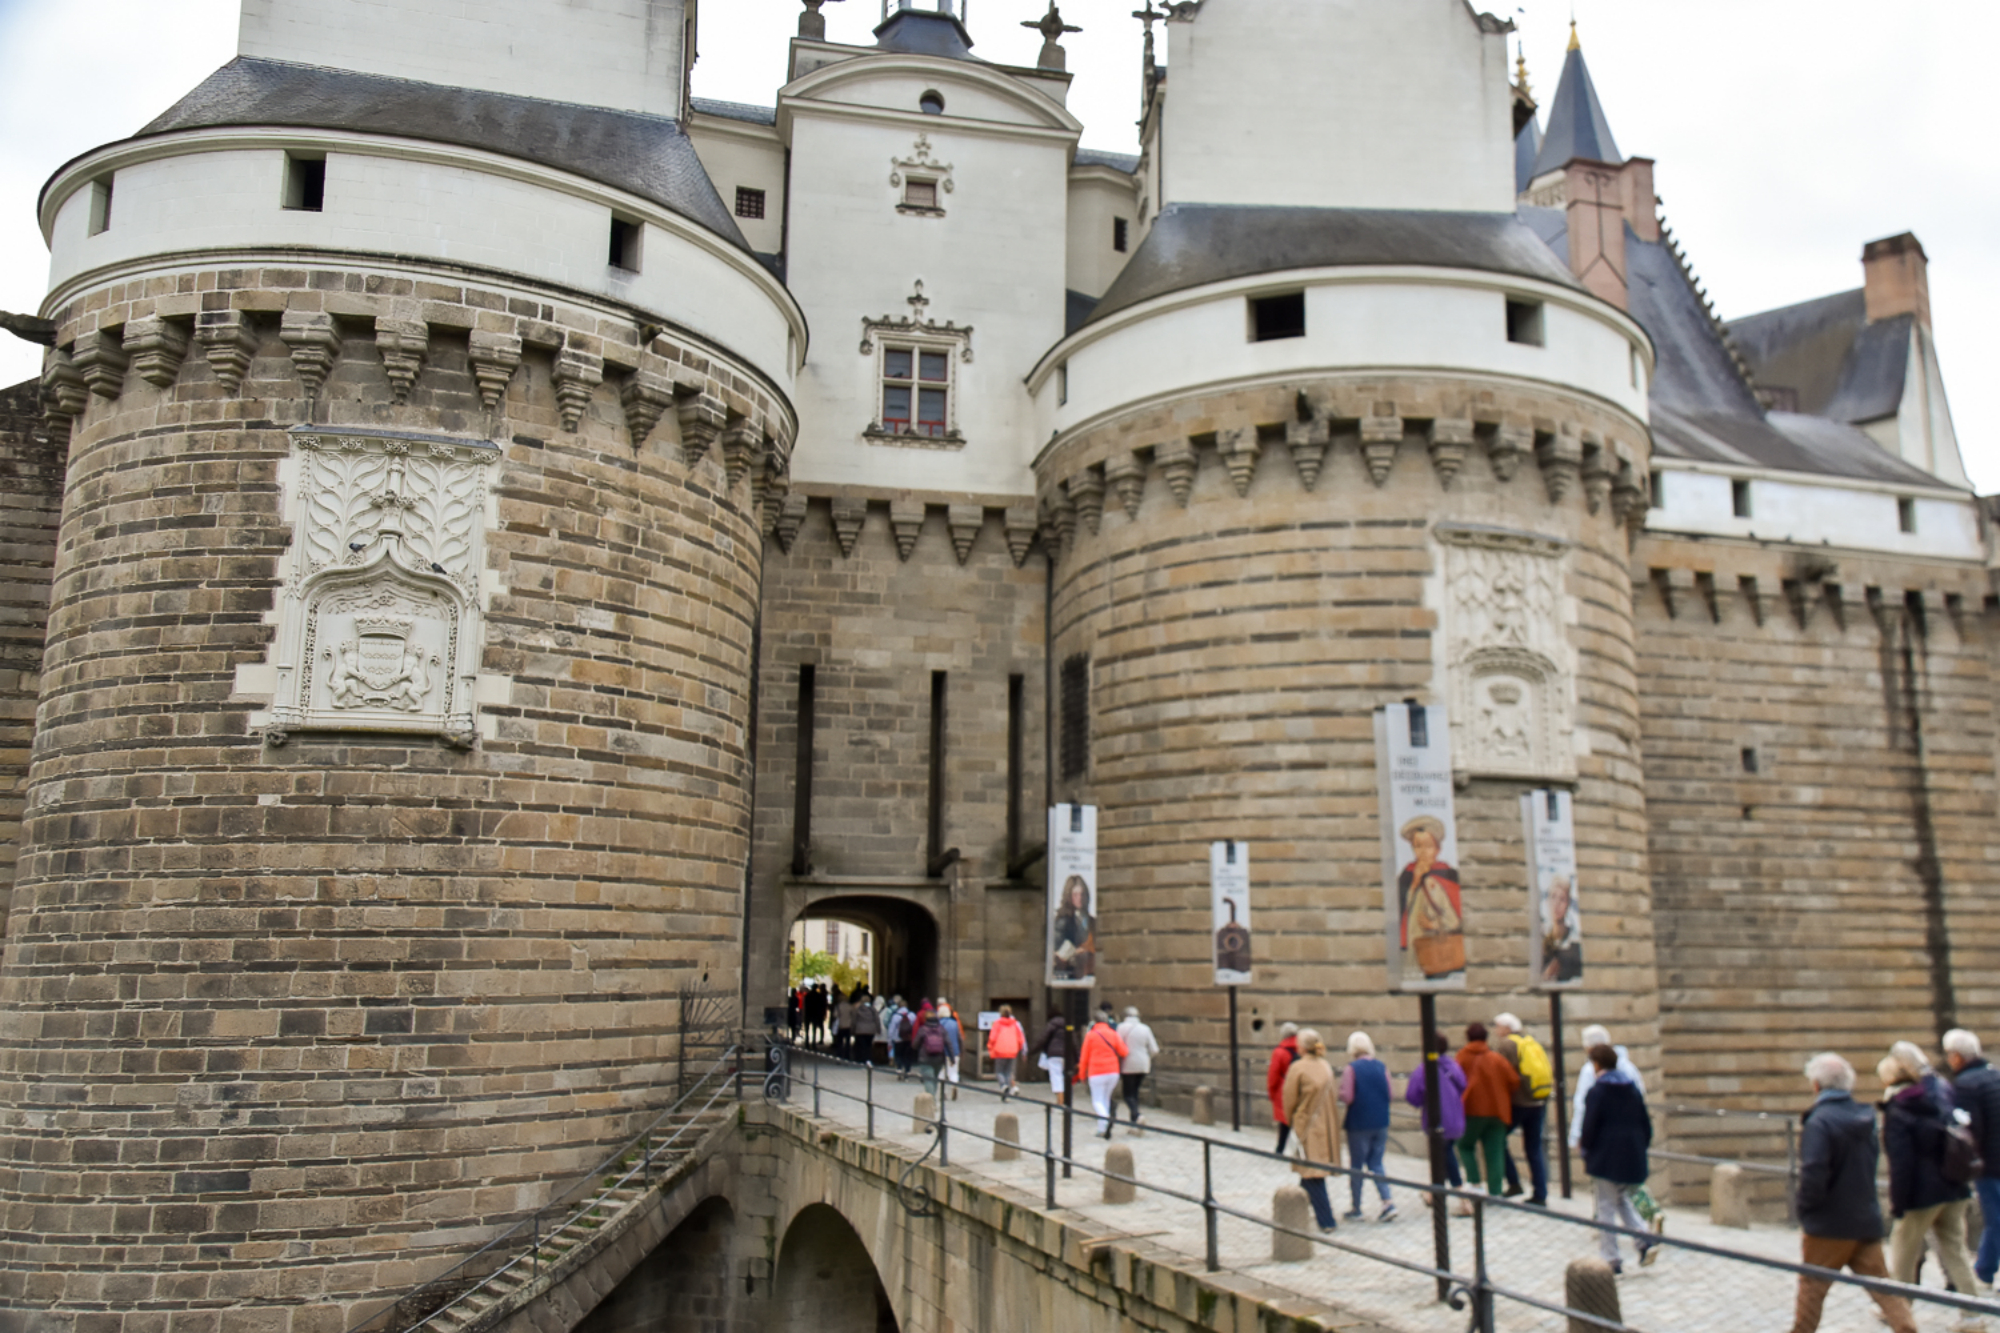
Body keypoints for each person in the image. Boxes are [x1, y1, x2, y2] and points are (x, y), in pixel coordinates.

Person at [1792, 1052, 1916, 1333]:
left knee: (1812, 1288)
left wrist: (1805, 1209)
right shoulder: (1865, 1117)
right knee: (1883, 1287)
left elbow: (1813, 1172)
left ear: (1816, 1085)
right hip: (1864, 1217)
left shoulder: (1819, 1122)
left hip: (1828, 1224)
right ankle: (1908, 1329)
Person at [1879, 1041, 1981, 1300]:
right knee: (1956, 1251)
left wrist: (1898, 1203)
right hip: (1954, 1183)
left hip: (1922, 1193)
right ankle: (1973, 1311)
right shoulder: (1940, 1091)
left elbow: (1901, 1163)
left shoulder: (1899, 1109)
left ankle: (1900, 1310)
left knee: (1902, 1253)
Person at [1578, 1043, 1660, 1274]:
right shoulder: (1631, 1088)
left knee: (1606, 1206)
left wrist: (1586, 1149)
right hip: (1631, 1153)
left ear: (1597, 1065)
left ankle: (1611, 1258)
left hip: (1606, 1156)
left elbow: (1590, 1125)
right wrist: (1640, 1146)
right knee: (1623, 1199)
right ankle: (1643, 1240)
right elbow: (1645, 1123)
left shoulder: (1598, 1091)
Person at [1944, 1027, 2000, 1290]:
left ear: (1956, 1056)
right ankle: (1985, 1270)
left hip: (1989, 1164)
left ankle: (1984, 1272)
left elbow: (1970, 1129)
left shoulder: (1966, 1084)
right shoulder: (1994, 1075)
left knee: (1995, 1219)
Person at [1281, 1028, 1341, 1234]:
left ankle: (1327, 1220)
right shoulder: (1325, 1066)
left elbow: (1289, 1099)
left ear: (1302, 1047)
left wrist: (1292, 1120)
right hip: (1326, 1124)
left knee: (1312, 1174)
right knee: (1310, 1171)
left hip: (1307, 1126)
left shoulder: (1298, 1068)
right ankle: (1296, 1211)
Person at [1405, 1029, 1470, 1215]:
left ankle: (1463, 1199)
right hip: (1456, 1119)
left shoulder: (1426, 1069)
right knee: (1441, 1156)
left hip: (1438, 1120)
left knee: (1446, 1156)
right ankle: (1433, 1193)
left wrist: (1425, 1101)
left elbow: (1412, 1096)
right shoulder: (1453, 1065)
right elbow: (1463, 1084)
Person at [1492, 1012, 1553, 1205]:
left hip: (1518, 1103)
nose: (1496, 1031)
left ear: (1507, 1028)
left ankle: (1513, 1182)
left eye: (1498, 1026)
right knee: (1534, 1149)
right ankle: (1540, 1193)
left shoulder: (1507, 1045)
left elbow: (1503, 1074)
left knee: (1497, 1139)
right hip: (1538, 1102)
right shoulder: (1529, 1041)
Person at [1396, 815, 1463, 979]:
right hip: (1412, 949)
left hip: (1436, 949)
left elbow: (1454, 921)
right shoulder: (1407, 876)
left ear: (1437, 849)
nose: (1423, 852)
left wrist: (1433, 924)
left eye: (1428, 846)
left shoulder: (1445, 876)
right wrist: (1415, 882)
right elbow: (1400, 909)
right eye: (1418, 846)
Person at [1338, 1031, 1396, 1221]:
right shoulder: (1382, 1067)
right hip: (1381, 1121)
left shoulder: (1351, 1069)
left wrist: (1340, 1092)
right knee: (1376, 1163)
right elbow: (1390, 1094)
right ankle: (1388, 1202)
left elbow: (1348, 1097)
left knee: (1356, 1166)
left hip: (1359, 1122)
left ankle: (1356, 1207)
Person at [1455, 1022, 1517, 1196]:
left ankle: (1475, 1183)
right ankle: (1495, 1192)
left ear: (1468, 1037)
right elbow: (1514, 1081)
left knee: (1465, 1145)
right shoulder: (1496, 1059)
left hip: (1471, 1111)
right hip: (1498, 1112)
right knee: (1495, 1152)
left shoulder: (1461, 1057)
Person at [1568, 1025, 1643, 1151]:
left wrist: (1577, 1137)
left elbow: (1582, 1105)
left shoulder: (1590, 1072)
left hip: (1603, 1140)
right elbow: (1640, 1100)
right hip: (1630, 1138)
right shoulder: (1629, 1068)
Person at [1078, 1005, 1130, 1138]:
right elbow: (1124, 1051)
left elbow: (1084, 1057)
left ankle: (1105, 1119)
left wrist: (1082, 1074)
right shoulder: (1113, 1034)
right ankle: (1102, 1129)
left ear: (1094, 1021)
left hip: (1096, 1072)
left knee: (1097, 1100)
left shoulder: (1091, 1035)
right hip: (1113, 1071)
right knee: (1105, 1099)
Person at [1117, 1006, 1159, 1129]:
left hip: (1127, 1064)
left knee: (1127, 1094)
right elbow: (1154, 1049)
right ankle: (1133, 1122)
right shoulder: (1145, 1028)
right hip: (1143, 1064)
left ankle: (1137, 1115)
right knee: (1134, 1092)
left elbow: (1117, 1046)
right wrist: (1147, 1058)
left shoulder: (1121, 1028)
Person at [1051, 874, 1096, 981]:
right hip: (1070, 973)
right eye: (1075, 895)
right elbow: (1059, 953)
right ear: (1069, 896)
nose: (1079, 898)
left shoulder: (1092, 921)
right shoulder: (1062, 921)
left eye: (1082, 894)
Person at [1540, 874, 1582, 983]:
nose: (1556, 904)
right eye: (1553, 897)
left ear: (1568, 904)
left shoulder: (1575, 944)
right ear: (1547, 901)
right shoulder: (1540, 940)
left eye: (1562, 899)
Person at [1268, 1023, 1301, 1153]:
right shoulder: (1302, 1049)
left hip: (1284, 1089)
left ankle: (1280, 1149)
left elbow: (1273, 1076)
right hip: (1300, 1089)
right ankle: (1301, 1149)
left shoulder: (1279, 1051)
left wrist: (1272, 1093)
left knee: (1284, 1121)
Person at [988, 1004, 1027, 1098]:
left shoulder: (997, 1023)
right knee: (1009, 1072)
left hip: (1000, 1050)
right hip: (1012, 1051)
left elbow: (992, 1038)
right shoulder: (1015, 1024)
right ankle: (1007, 1091)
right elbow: (1020, 1038)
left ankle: (1003, 1086)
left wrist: (990, 1048)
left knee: (999, 1071)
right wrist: (1019, 1049)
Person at [912, 1003, 949, 1098]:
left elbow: (915, 1044)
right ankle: (932, 1099)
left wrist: (918, 1048)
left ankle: (931, 1101)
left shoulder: (923, 1029)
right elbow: (948, 1043)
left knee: (928, 1080)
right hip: (939, 1059)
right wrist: (952, 1058)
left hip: (925, 1059)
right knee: (934, 1079)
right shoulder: (942, 1029)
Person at [1033, 1013, 1069, 1100]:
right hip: (1065, 1054)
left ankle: (1060, 1100)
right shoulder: (1067, 1026)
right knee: (1062, 1076)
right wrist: (1078, 1057)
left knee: (1056, 1077)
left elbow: (1042, 1039)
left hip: (1053, 1054)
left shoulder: (1051, 1025)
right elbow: (1073, 1041)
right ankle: (1061, 1098)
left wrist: (1033, 1051)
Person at [937, 998, 963, 1100]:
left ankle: (943, 1092)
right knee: (954, 1072)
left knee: (941, 1072)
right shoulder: (954, 1023)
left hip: (940, 1052)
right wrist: (961, 1050)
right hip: (954, 1051)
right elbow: (959, 1037)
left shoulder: (937, 1024)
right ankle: (954, 1084)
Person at [848, 986, 880, 1065]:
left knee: (861, 1046)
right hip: (871, 1030)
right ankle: (868, 1059)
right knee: (869, 1046)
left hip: (860, 1030)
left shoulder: (858, 1009)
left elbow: (854, 1020)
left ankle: (861, 1059)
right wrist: (878, 1029)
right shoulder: (873, 1009)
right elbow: (877, 1019)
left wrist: (852, 1029)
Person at [831, 987, 855, 1061]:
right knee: (847, 1042)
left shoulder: (838, 1006)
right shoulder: (850, 1006)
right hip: (848, 1026)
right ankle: (847, 1055)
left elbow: (835, 1015)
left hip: (840, 1026)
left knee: (840, 1042)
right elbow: (853, 1015)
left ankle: (839, 1055)